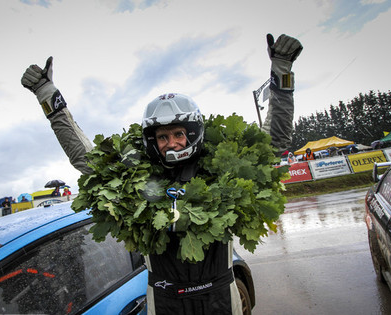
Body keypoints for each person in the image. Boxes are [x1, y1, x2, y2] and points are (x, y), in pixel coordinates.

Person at [21, 33, 302, 315]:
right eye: (163, 136)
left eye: (179, 133)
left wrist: (281, 71)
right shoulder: (134, 178)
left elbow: (273, 141)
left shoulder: (220, 171)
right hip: (165, 301)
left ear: (193, 133)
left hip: (220, 297)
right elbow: (85, 157)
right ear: (152, 141)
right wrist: (48, 97)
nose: (171, 143)